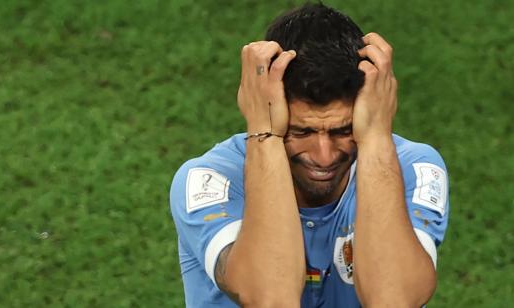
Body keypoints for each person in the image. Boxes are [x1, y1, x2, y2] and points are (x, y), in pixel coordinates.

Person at [170, 3, 449, 307]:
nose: (324, 156)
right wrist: (264, 134)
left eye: (343, 131)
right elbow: (271, 299)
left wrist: (376, 137)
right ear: (267, 106)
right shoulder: (209, 180)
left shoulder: (415, 168)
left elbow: (395, 301)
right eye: (301, 132)